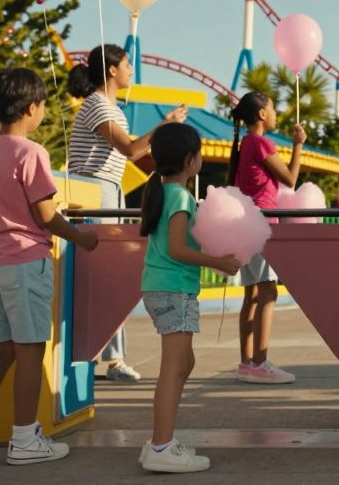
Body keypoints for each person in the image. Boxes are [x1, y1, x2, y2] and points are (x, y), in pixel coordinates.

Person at [0, 68, 100, 465]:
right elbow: (46, 214)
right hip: (26, 259)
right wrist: (83, 238)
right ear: (33, 107)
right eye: (43, 104)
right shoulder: (32, 152)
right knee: (31, 349)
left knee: (5, 347)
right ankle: (24, 437)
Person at [67, 44, 187, 382]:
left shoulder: (110, 107)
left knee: (111, 276)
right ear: (111, 71)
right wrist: (166, 125)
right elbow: (131, 150)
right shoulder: (97, 105)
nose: (132, 69)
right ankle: (103, 357)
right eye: (128, 64)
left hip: (108, 193)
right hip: (94, 194)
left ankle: (111, 356)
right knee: (102, 276)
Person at [137, 122, 242, 473]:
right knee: (173, 368)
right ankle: (161, 445)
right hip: (174, 288)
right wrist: (220, 263)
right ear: (190, 160)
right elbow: (178, 248)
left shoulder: (163, 192)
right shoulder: (179, 197)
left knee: (183, 364)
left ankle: (160, 441)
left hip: (163, 287)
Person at [228, 91, 307, 384]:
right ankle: (260, 364)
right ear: (261, 114)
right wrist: (298, 145)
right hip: (261, 222)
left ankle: (247, 362)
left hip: (244, 223)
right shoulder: (260, 143)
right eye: (272, 109)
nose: (275, 113)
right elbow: (290, 178)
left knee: (251, 293)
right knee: (268, 292)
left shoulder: (246, 143)